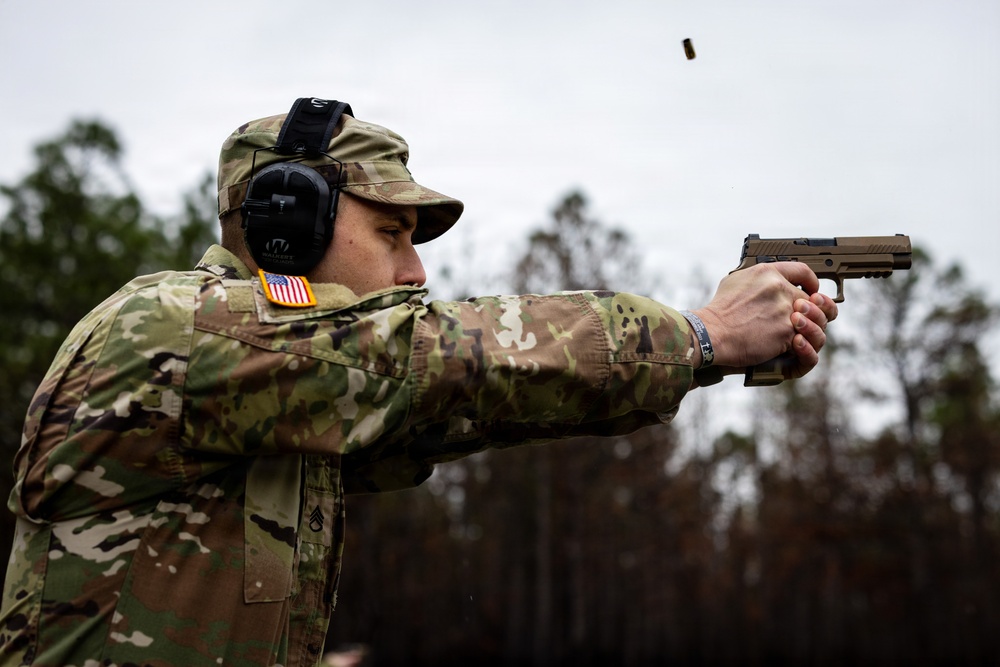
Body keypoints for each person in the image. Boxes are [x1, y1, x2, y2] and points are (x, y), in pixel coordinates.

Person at [0, 97, 836, 667]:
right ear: (285, 221)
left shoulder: (288, 394)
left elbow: (475, 402)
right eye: (392, 231)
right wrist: (703, 333)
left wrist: (702, 362)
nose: (415, 267)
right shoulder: (180, 326)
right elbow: (438, 360)